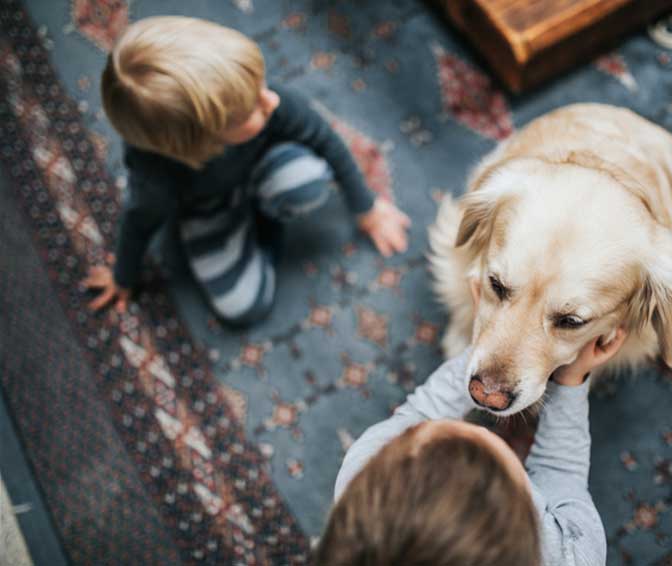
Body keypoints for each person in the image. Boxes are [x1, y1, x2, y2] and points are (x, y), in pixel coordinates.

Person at [83, 16, 410, 325]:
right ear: (202, 142)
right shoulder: (157, 180)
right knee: (242, 308)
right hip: (207, 207)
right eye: (252, 106)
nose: (271, 101)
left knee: (309, 180)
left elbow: (325, 138)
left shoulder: (268, 102)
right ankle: (255, 230)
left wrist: (367, 208)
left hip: (264, 164)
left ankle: (261, 217)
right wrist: (123, 277)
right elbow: (137, 223)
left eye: (261, 85)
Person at [317, 329, 627, 566]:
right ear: (533, 523)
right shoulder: (574, 553)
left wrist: (488, 336)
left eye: (427, 432)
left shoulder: (364, 472)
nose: (471, 424)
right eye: (494, 447)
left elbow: (423, 410)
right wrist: (572, 379)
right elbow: (560, 471)